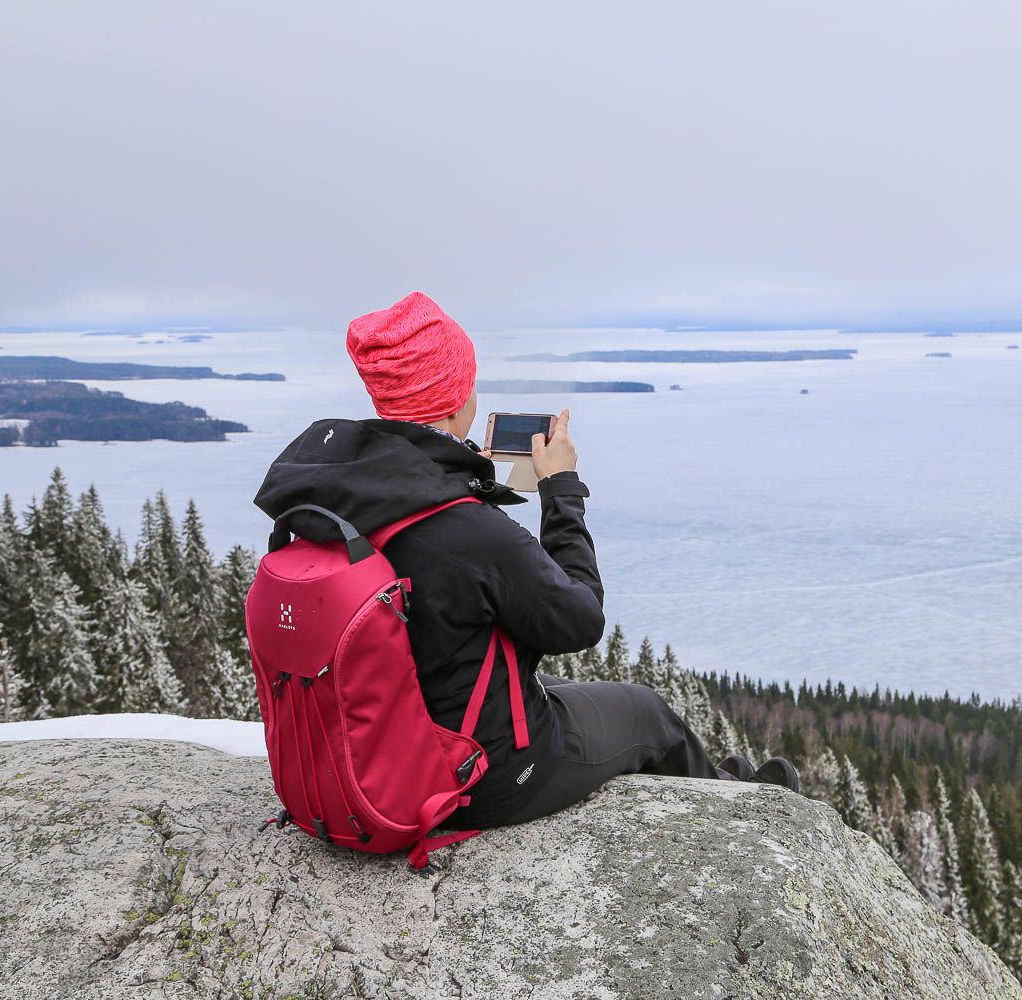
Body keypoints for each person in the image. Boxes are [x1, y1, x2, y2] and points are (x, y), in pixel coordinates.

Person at [253, 291, 799, 829]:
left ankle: (715, 782)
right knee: (647, 713)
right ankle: (742, 814)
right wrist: (561, 488)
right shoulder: (464, 529)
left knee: (558, 686)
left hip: (385, 739)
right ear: (454, 397)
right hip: (482, 776)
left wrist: (460, 481)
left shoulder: (343, 496)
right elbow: (579, 618)